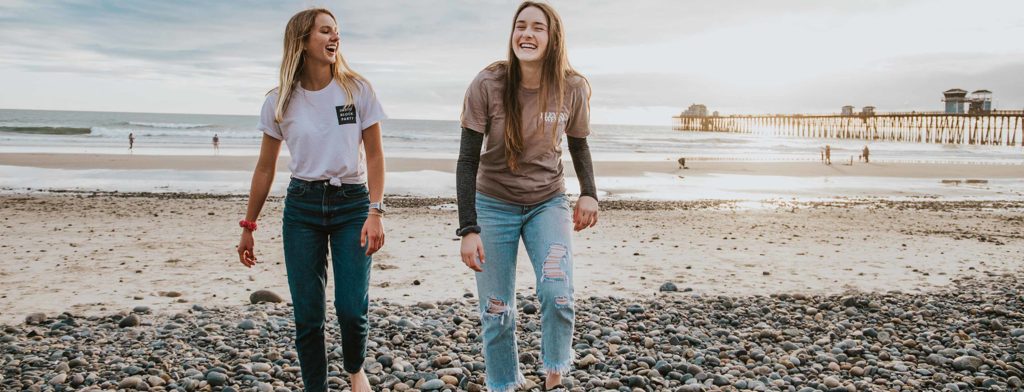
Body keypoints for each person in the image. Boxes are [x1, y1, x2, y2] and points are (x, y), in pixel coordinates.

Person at [235, 8, 386, 392]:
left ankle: (355, 368)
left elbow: (375, 156)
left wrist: (376, 210)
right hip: (301, 208)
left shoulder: (357, 90)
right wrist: (249, 226)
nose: (334, 38)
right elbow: (265, 168)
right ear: (302, 41)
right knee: (308, 317)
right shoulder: (279, 101)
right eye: (324, 31)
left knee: (352, 309)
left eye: (336, 31)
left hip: (352, 204)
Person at [456, 2, 598, 391]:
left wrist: (589, 193)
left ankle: (554, 376)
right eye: (520, 26)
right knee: (496, 309)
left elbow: (579, 146)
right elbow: (467, 160)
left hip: (547, 201)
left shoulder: (571, 87)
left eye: (537, 27)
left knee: (558, 292)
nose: (527, 34)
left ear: (553, 39)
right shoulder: (488, 83)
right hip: (492, 203)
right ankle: (501, 385)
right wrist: (468, 228)